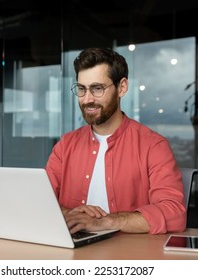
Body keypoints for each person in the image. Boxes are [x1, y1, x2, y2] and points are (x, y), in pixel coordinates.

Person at [45, 47, 186, 235]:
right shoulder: (65, 145)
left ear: (122, 87)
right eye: (81, 89)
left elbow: (174, 213)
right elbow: (40, 201)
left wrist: (105, 222)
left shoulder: (153, 146)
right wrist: (70, 215)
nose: (87, 99)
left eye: (97, 88)